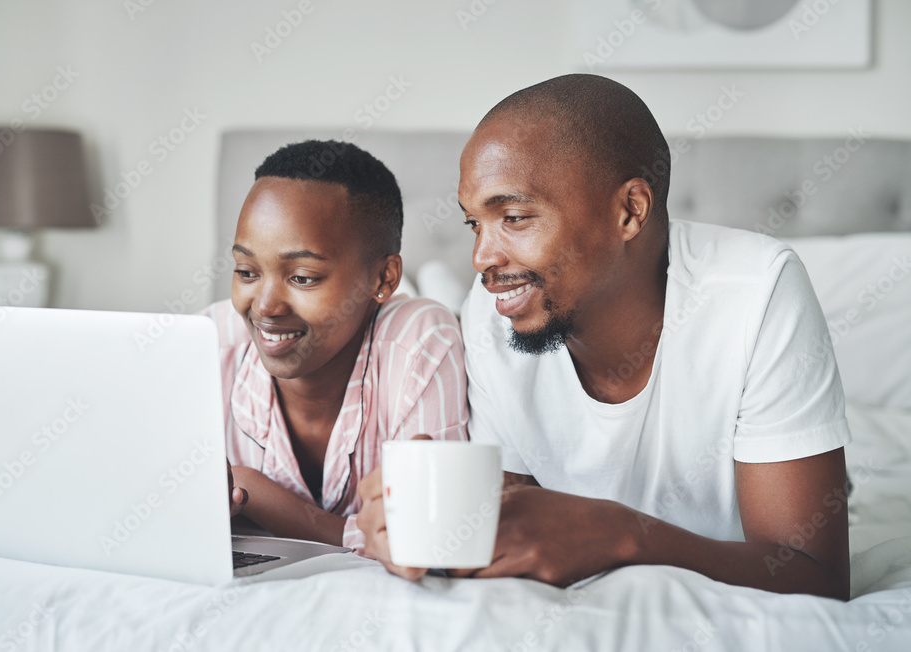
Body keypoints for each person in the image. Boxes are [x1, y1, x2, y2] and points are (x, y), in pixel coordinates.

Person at [357, 74, 851, 599]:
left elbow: (814, 576)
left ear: (630, 210)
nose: (482, 258)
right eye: (474, 224)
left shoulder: (757, 293)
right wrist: (419, 525)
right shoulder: (489, 315)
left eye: (515, 217)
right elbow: (514, 522)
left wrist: (621, 533)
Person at [208, 139, 468, 554]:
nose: (265, 306)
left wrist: (256, 490)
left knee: (446, 308)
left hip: (402, 316)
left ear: (384, 278)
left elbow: (428, 537)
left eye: (304, 277)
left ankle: (441, 285)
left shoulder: (421, 341)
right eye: (246, 271)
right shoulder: (207, 343)